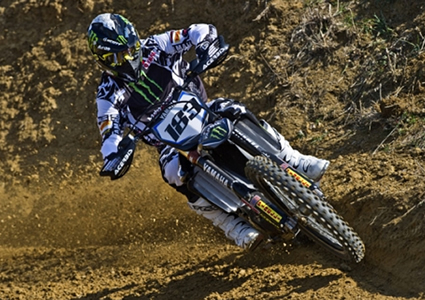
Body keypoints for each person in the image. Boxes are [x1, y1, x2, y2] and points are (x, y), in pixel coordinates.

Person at [87, 13, 330, 251]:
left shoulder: (155, 45)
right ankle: (230, 224)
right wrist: (114, 155)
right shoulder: (107, 94)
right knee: (173, 172)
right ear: (104, 60)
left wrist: (204, 47)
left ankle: (292, 159)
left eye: (132, 48)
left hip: (204, 111)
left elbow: (197, 31)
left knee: (234, 109)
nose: (130, 57)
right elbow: (109, 134)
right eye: (120, 56)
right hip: (171, 144)